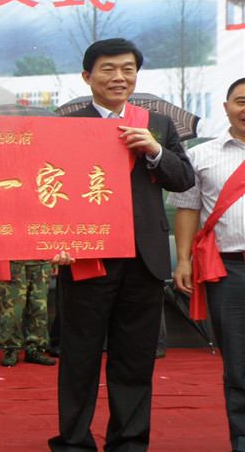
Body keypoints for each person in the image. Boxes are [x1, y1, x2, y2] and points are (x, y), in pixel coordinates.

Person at [48, 38, 194, 452]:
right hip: (86, 257)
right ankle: (73, 443)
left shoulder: (157, 123)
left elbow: (183, 179)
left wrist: (155, 150)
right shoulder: (63, 126)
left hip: (144, 259)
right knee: (79, 358)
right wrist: (55, 239)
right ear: (87, 76)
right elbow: (47, 187)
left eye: (128, 69)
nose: (119, 77)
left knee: (135, 359)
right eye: (108, 69)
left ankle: (128, 443)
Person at [167, 77, 245, 452]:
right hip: (229, 272)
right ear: (226, 107)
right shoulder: (201, 155)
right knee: (238, 362)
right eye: (241, 101)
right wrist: (183, 260)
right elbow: (188, 209)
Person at [0, 260, 57, 367]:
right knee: (13, 311)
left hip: (41, 261)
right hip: (13, 261)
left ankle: (35, 349)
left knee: (39, 309)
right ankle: (11, 350)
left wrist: (54, 262)